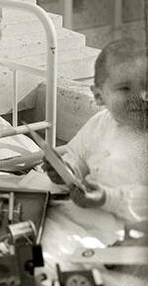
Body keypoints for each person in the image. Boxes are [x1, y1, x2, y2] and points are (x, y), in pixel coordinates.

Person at [44, 39, 148, 224]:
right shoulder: (99, 123)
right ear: (99, 96)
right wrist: (66, 170)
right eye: (125, 88)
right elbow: (77, 156)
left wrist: (107, 198)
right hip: (88, 215)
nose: (139, 96)